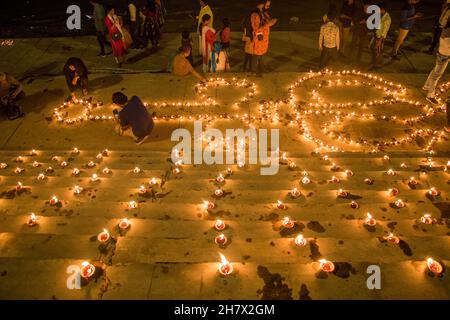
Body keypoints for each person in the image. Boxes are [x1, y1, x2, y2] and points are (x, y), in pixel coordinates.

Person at [423, 27, 450, 120]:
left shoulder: (446, 30)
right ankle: (430, 95)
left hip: (440, 53)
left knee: (435, 71)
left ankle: (426, 86)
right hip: (444, 56)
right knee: (437, 75)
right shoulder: (448, 35)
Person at [251, 0, 277, 76]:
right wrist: (268, 24)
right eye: (267, 5)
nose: (268, 7)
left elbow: (266, 22)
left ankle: (261, 68)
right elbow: (256, 29)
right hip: (258, 39)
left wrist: (271, 21)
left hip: (263, 39)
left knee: (261, 54)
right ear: (261, 4)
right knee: (256, 55)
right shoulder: (255, 15)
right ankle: (254, 71)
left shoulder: (263, 13)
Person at [371, 3, 391, 68]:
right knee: (375, 48)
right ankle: (376, 61)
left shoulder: (387, 18)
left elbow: (385, 31)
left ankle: (378, 63)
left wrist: (380, 40)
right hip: (377, 34)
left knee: (379, 50)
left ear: (383, 9)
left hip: (381, 37)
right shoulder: (380, 15)